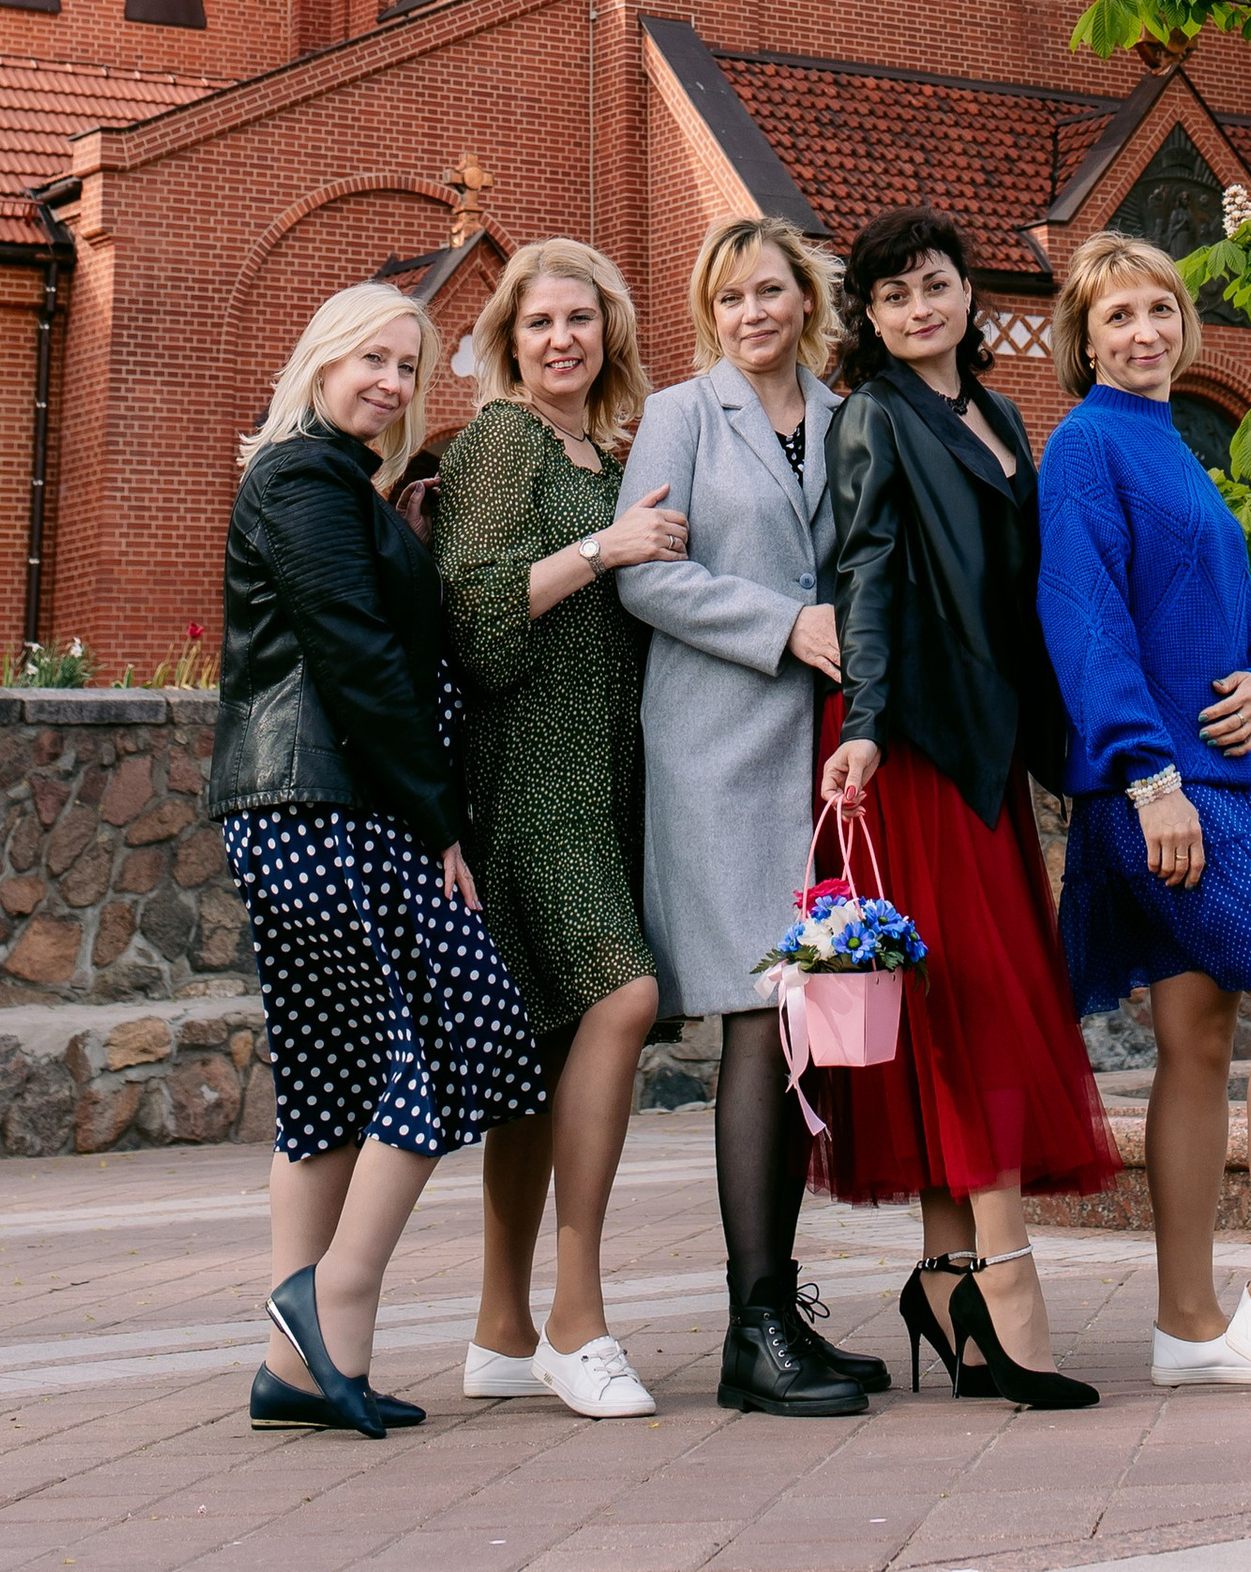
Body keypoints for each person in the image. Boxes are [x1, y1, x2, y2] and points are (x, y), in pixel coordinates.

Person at [1037, 229, 1251, 1409]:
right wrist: (1148, 776)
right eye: (1117, 317)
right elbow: (1085, 625)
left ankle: (1187, 1321)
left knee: (1195, 1042)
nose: (1143, 333)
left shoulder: (1181, 445)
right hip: (1166, 795)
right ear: (1083, 340)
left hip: (1215, 779)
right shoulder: (1084, 449)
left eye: (1159, 312)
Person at [207, 278, 546, 1444]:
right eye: (372, 360)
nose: (391, 384)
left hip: (308, 806)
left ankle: (292, 1369)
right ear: (319, 357)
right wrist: (440, 819)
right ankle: (330, 1297)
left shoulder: (342, 487)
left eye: (408, 369)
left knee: (333, 1080)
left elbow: (367, 614)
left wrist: (406, 526)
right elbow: (351, 656)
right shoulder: (301, 478)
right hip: (331, 807)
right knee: (468, 1033)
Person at [818, 205, 1116, 1414]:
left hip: (992, 747)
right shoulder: (873, 419)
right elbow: (867, 577)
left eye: (933, 285)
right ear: (873, 321)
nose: (917, 309)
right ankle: (1010, 1292)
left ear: (965, 295)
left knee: (964, 1012)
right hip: (920, 749)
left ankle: (943, 1281)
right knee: (973, 1017)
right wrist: (867, 724)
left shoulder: (996, 417)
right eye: (892, 297)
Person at [615, 215, 886, 1419]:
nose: (750, 314)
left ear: (805, 301)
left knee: (803, 1021)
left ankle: (779, 1307)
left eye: (769, 291)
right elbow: (643, 574)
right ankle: (751, 1330)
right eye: (729, 298)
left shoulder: (844, 418)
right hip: (716, 743)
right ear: (708, 313)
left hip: (818, 751)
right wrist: (782, 624)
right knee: (752, 1012)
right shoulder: (681, 414)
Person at [434, 237, 685, 1421]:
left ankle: (498, 1328)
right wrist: (605, 548)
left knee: (543, 1054)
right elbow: (476, 622)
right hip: (527, 774)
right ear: (507, 341)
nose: (561, 341)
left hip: (610, 779)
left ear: (611, 333)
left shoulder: (613, 452)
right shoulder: (502, 441)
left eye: (580, 321)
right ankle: (576, 1322)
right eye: (538, 324)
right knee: (620, 995)